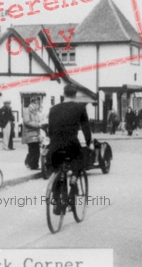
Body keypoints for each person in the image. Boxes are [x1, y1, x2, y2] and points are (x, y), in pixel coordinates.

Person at [47, 84, 92, 215]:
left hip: (55, 147)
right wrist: (89, 143)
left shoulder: (53, 109)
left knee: (55, 169)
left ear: (64, 94)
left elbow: (50, 130)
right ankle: (74, 178)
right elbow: (86, 129)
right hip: (71, 144)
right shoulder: (80, 108)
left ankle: (56, 199)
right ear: (75, 94)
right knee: (81, 158)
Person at [23, 98, 42, 170]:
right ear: (32, 103)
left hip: (36, 133)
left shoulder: (35, 112)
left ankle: (29, 163)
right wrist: (38, 124)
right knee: (34, 150)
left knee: (33, 149)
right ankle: (33, 165)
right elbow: (27, 122)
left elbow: (38, 120)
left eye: (38, 104)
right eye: (36, 103)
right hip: (29, 133)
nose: (37, 105)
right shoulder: (27, 111)